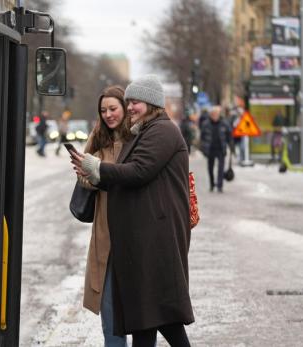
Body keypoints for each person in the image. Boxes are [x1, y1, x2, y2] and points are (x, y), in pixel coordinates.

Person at [70, 74, 194, 347]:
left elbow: (139, 172)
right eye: (129, 102)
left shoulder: (162, 131)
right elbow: (130, 180)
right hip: (144, 235)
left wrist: (98, 168)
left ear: (152, 103)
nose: (131, 108)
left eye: (135, 102)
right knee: (147, 314)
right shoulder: (145, 132)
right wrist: (94, 174)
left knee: (154, 311)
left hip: (156, 235)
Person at [77, 85, 132, 347]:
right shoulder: (98, 138)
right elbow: (82, 176)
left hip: (135, 232)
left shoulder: (137, 137)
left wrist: (101, 169)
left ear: (124, 107)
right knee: (109, 307)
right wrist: (96, 174)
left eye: (113, 108)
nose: (108, 114)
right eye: (103, 110)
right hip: (106, 233)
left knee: (142, 309)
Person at [199, 105, 233, 193]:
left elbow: (229, 135)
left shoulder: (224, 123)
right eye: (213, 114)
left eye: (216, 114)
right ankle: (211, 184)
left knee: (220, 168)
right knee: (210, 168)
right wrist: (203, 147)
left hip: (221, 149)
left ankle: (219, 185)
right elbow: (202, 137)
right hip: (210, 149)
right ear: (210, 114)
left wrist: (231, 146)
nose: (215, 116)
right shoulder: (205, 124)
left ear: (219, 114)